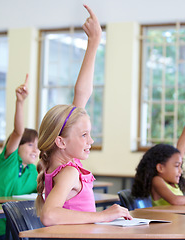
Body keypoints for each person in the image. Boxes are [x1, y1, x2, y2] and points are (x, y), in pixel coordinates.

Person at [35, 4, 132, 227]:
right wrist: (104, 215)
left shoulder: (67, 162)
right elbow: (49, 216)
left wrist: (94, 43)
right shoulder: (68, 171)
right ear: (60, 141)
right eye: (84, 135)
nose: (91, 140)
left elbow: (82, 94)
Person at [0, 75, 39, 239]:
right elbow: (18, 132)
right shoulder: (8, 160)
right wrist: (20, 102)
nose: (36, 150)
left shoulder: (32, 171)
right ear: (16, 146)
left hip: (18, 230)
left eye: (37, 145)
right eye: (29, 145)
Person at [131, 97, 185, 206]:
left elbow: (181, 148)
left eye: (180, 166)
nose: (180, 171)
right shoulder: (157, 180)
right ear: (160, 168)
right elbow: (175, 200)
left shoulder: (170, 182)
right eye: (176, 166)